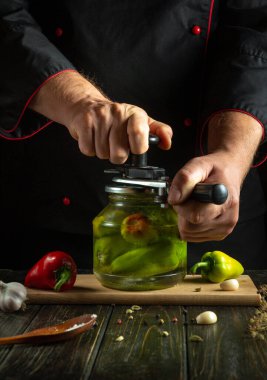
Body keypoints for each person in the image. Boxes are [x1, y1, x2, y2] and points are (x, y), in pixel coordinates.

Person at [1, 1, 267, 270]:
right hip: (52, 225)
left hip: (214, 229)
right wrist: (80, 103)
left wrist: (231, 155)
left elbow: (255, 29)